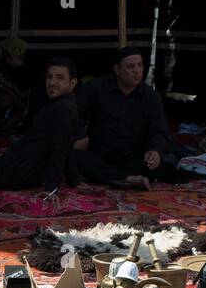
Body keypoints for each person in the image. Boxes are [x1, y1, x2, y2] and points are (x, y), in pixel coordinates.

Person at [0, 57, 82, 194]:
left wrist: (51, 186)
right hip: (20, 163)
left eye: (59, 78)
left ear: (72, 83)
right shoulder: (59, 105)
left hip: (21, 169)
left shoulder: (64, 108)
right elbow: (67, 143)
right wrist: (74, 179)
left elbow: (60, 147)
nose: (52, 82)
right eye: (49, 77)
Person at [74, 47, 173, 188]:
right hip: (101, 154)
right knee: (74, 157)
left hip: (133, 156)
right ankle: (127, 178)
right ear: (117, 69)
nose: (137, 71)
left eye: (140, 65)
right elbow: (75, 113)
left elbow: (159, 128)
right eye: (130, 66)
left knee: (159, 164)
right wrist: (81, 136)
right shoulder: (96, 88)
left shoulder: (150, 97)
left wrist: (155, 150)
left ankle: (114, 177)